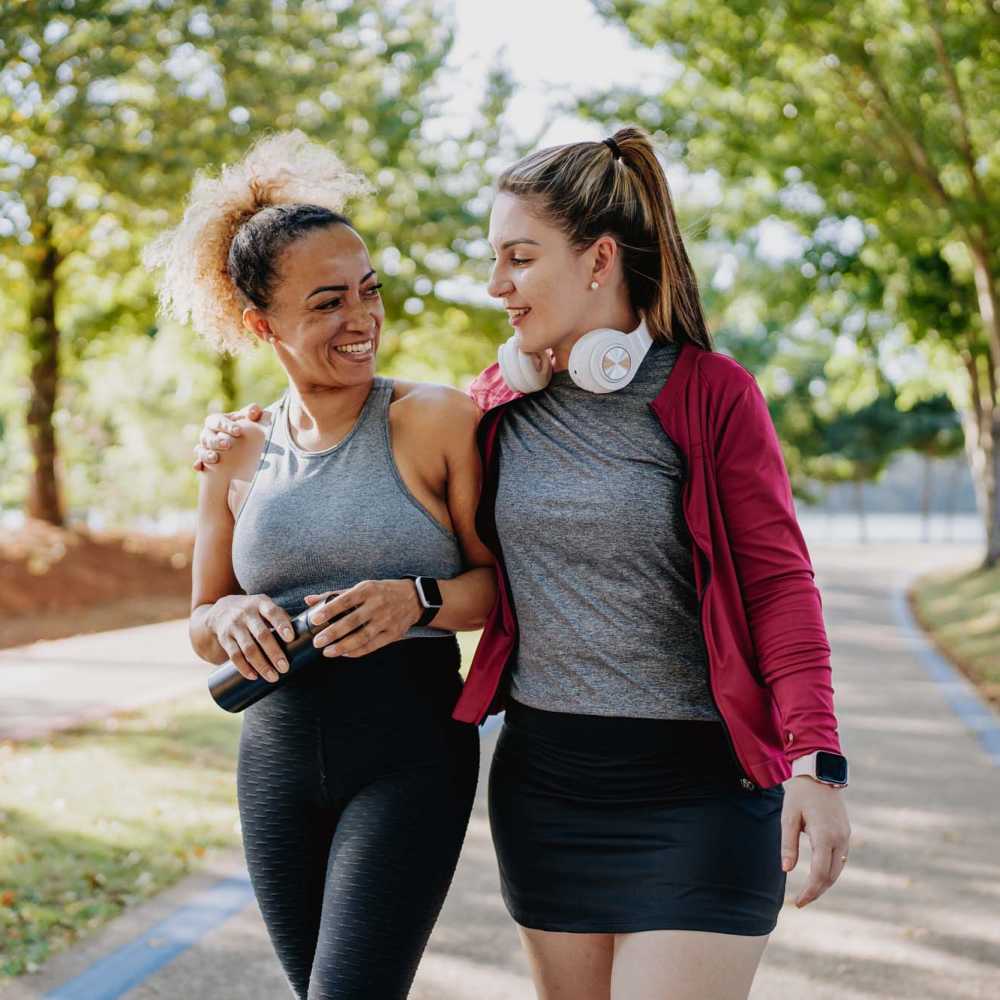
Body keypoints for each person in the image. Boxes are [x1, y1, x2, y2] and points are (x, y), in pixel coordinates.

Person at [196, 126, 851, 1000]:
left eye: (518, 258)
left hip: (704, 788)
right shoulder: (498, 405)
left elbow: (778, 587)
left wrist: (817, 762)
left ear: (598, 260)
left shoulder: (709, 394)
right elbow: (342, 492)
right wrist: (234, 459)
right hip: (550, 789)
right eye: (494, 258)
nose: (495, 284)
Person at [147, 130, 495, 1000]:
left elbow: (500, 587)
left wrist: (415, 601)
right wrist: (227, 619)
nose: (363, 320)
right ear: (263, 326)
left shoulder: (436, 422)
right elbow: (200, 619)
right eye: (330, 302)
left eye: (369, 291)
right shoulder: (235, 451)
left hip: (411, 756)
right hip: (273, 762)